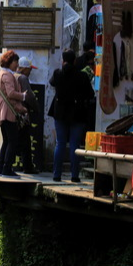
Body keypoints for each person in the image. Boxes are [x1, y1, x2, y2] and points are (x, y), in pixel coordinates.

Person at [48, 49, 95, 182]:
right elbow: (90, 94)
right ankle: (75, 176)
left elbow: (52, 83)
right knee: (75, 145)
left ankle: (56, 175)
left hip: (60, 113)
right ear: (75, 60)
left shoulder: (58, 73)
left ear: (63, 60)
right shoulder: (82, 76)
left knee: (60, 143)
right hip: (77, 113)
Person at [0, 50, 27, 178]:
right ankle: (7, 169)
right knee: (12, 140)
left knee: (6, 141)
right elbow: (11, 93)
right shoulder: (7, 75)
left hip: (2, 110)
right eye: (15, 61)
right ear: (10, 62)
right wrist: (22, 96)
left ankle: (1, 168)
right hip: (7, 111)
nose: (17, 64)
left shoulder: (0, 74)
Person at [14, 56, 40, 174]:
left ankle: (4, 161)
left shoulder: (13, 76)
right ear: (24, 69)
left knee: (16, 139)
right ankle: (27, 167)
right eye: (29, 69)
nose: (30, 72)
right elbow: (29, 96)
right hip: (22, 114)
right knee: (24, 141)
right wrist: (36, 108)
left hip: (13, 113)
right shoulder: (23, 78)